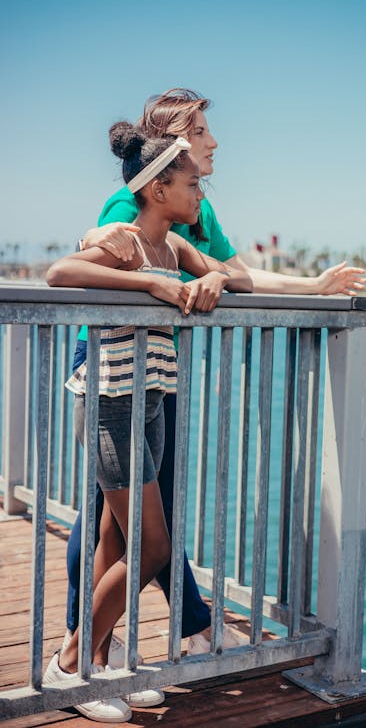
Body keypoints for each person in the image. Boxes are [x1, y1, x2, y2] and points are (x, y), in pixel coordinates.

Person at [65, 88, 366, 662]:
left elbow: (232, 272)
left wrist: (312, 288)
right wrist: (149, 277)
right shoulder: (131, 207)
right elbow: (94, 251)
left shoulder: (193, 214)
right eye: (200, 130)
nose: (214, 141)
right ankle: (90, 643)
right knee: (114, 515)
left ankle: (120, 637)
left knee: (131, 516)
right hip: (109, 368)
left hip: (154, 369)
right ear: (172, 144)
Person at [43, 123, 252, 723]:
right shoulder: (128, 243)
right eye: (192, 184)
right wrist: (149, 283)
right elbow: (60, 274)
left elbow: (233, 275)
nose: (201, 195)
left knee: (119, 537)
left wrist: (208, 275)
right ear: (158, 189)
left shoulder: (176, 247)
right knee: (153, 544)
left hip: (151, 400)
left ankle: (97, 666)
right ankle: (71, 664)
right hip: (113, 407)